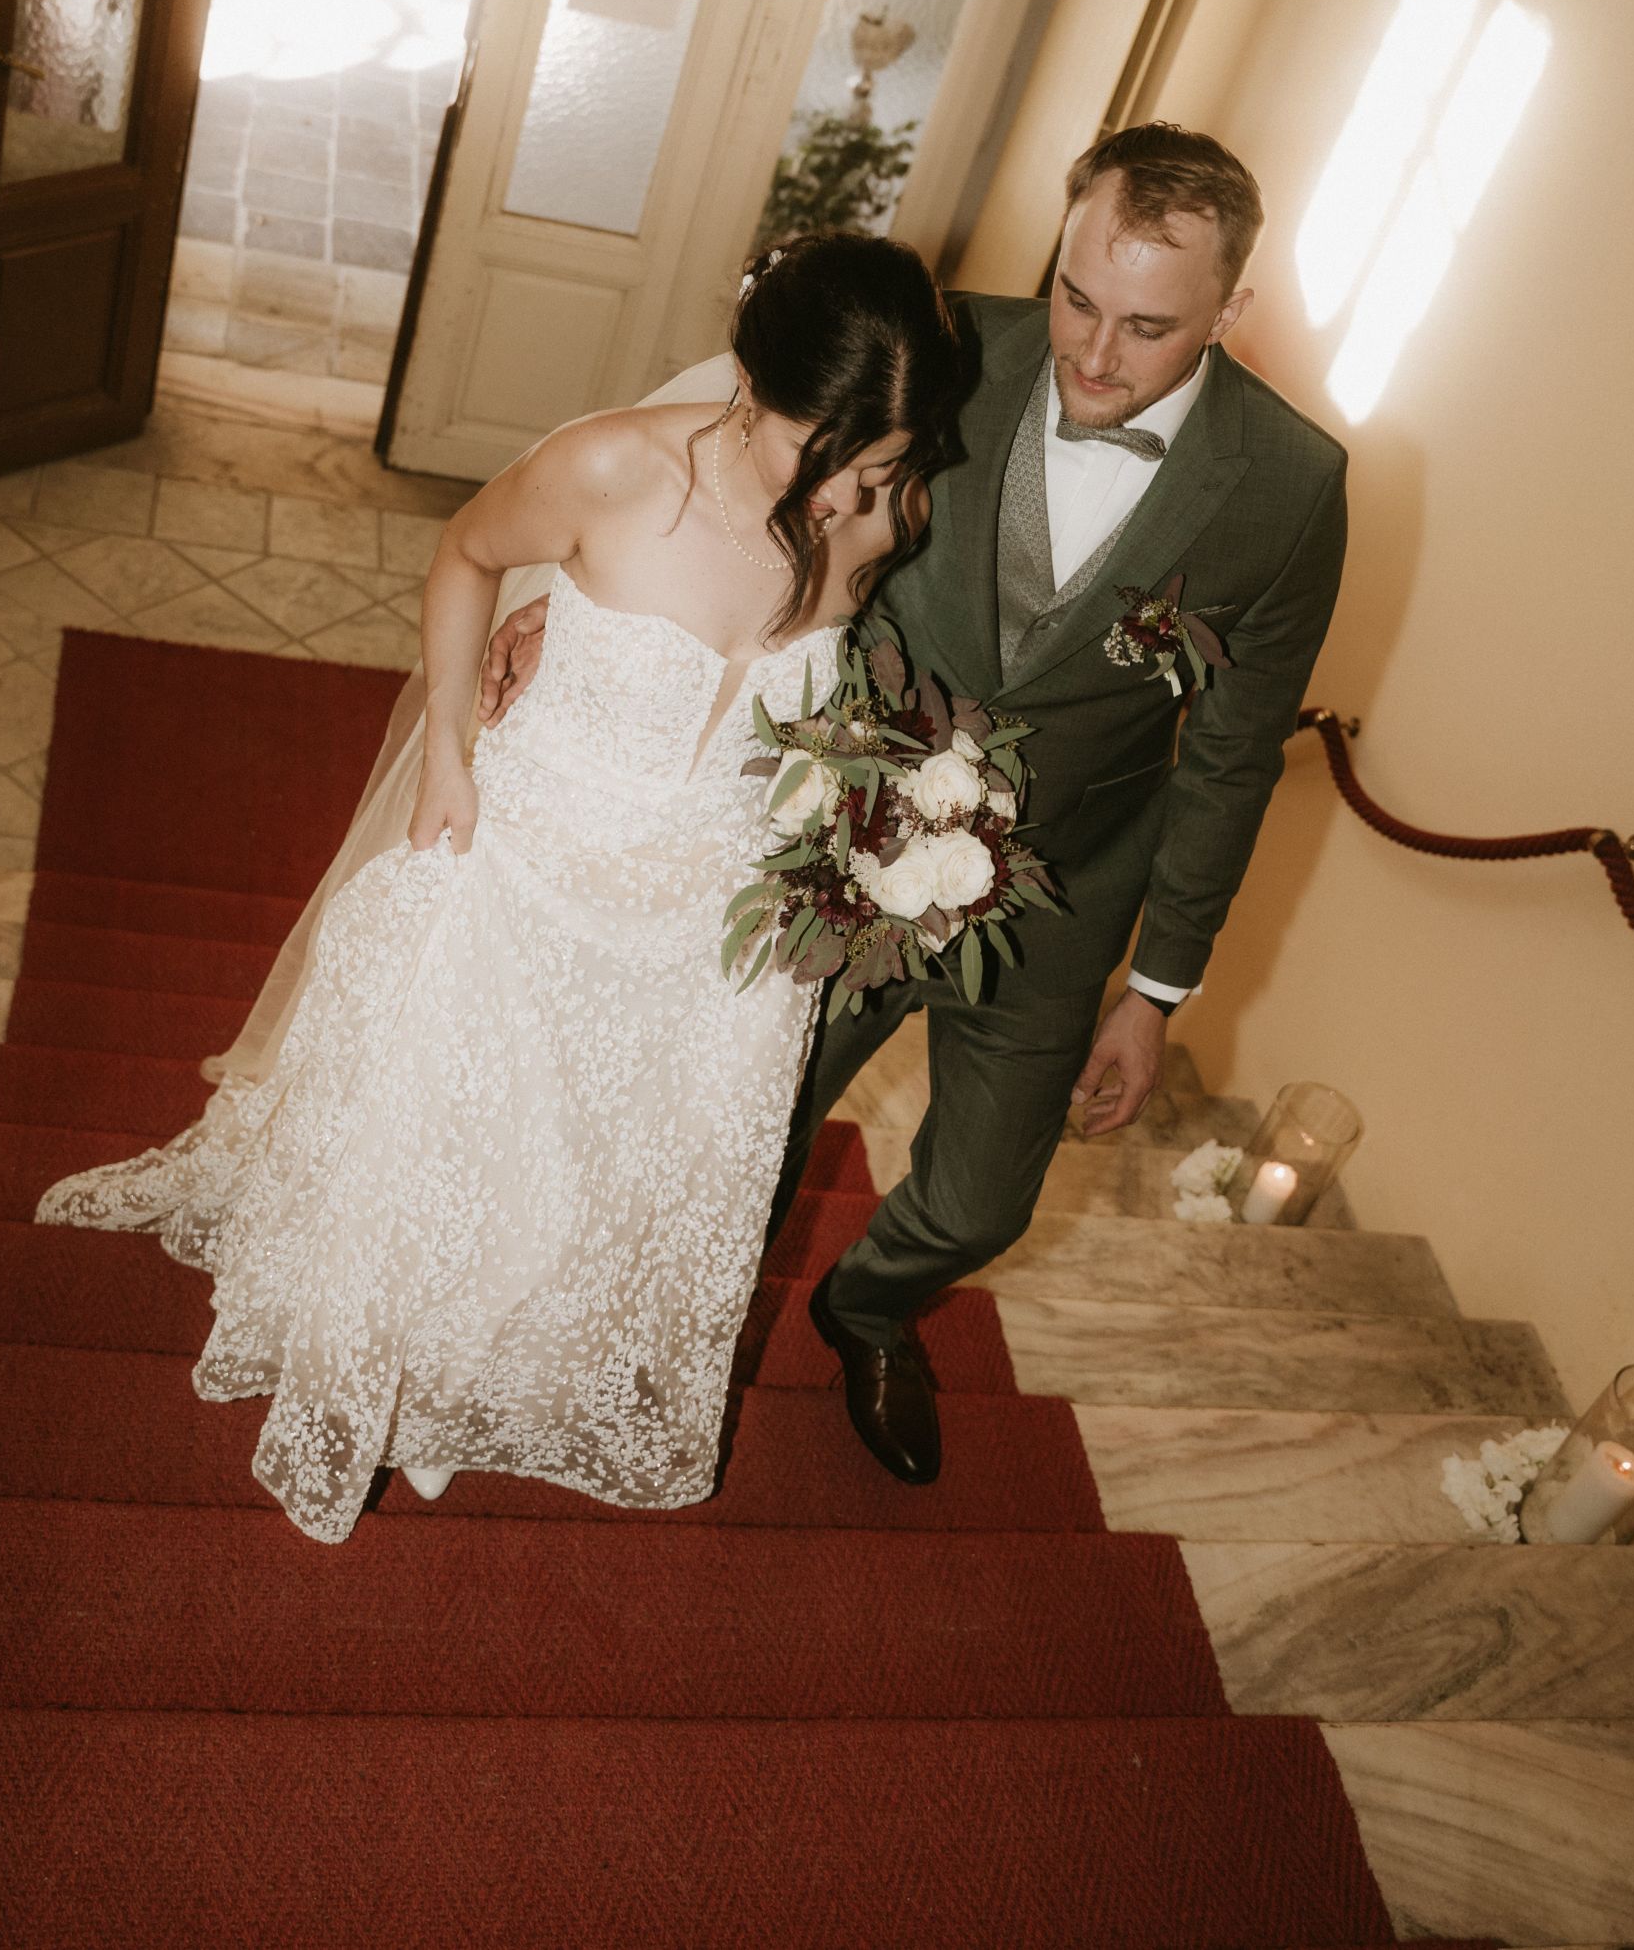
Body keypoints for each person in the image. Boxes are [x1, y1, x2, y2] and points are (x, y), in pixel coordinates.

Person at [35, 233, 964, 1543]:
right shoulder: (611, 468)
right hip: (530, 861)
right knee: (461, 1138)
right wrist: (449, 759)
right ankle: (400, 1377)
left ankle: (496, 1372)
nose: (845, 497)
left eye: (876, 466)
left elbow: (816, 692)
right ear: (754, 386)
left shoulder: (876, 512)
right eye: (827, 457)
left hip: (709, 918)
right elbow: (468, 555)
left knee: (605, 1167)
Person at [485, 125, 1346, 1487]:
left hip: (1065, 892)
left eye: (1147, 327)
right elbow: (747, 472)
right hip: (835, 841)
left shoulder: (1294, 488)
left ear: (1231, 312)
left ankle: (866, 1305)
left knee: (983, 1203)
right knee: (743, 1140)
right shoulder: (949, 351)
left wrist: (1157, 990)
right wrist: (581, 602)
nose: (1093, 355)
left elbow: (1232, 755)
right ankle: (646, 1331)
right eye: (1075, 297)